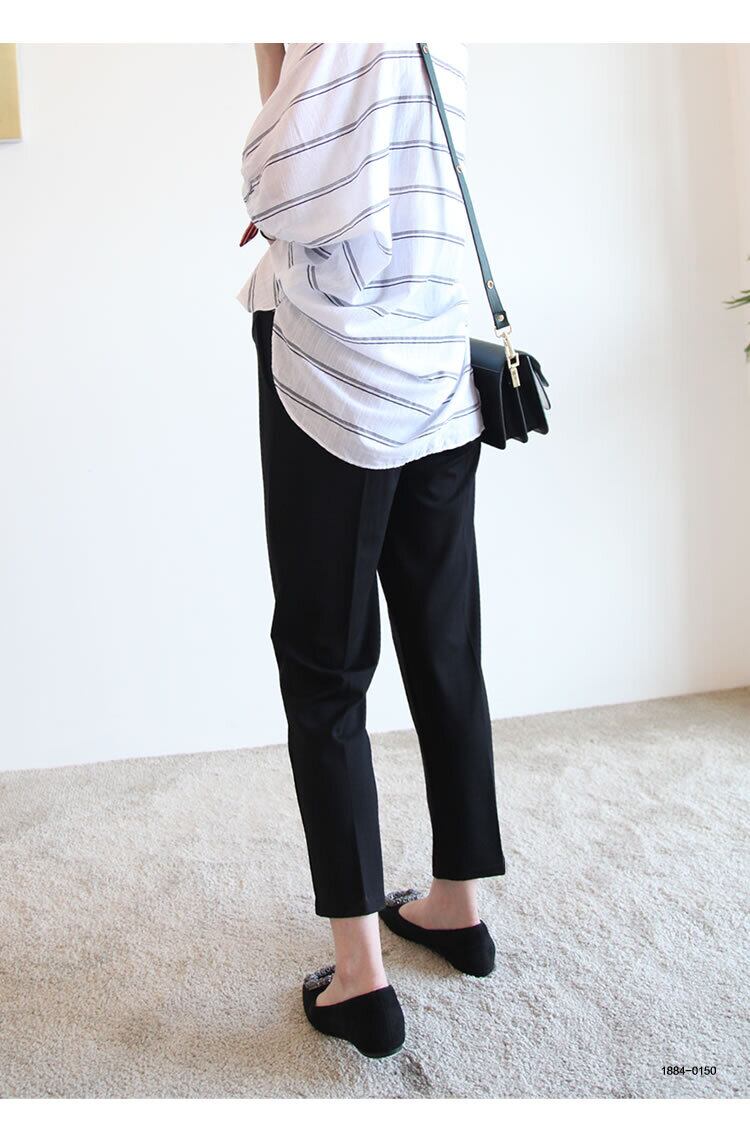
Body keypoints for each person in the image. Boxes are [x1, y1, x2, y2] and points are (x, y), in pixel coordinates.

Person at [237, 42, 506, 1059]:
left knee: (324, 666)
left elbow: (278, 176)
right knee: (445, 645)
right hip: (438, 365)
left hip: (334, 373)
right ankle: (458, 904)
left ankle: (360, 977)